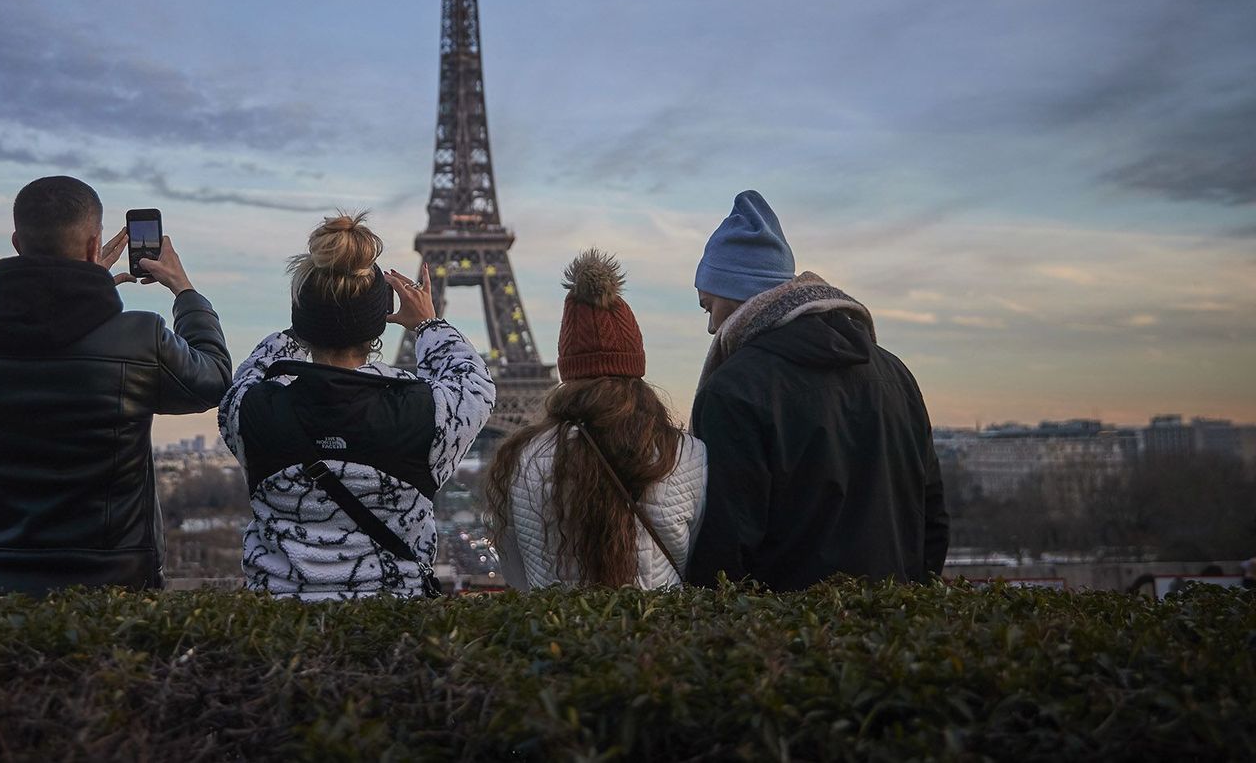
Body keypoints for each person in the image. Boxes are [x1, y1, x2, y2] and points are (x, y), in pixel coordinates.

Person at [0, 175, 232, 595]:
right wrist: (183, 289)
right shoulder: (138, 338)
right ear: (96, 247)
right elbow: (216, 379)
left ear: (17, 242)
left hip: (3, 575)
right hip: (118, 580)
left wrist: (79, 293)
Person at [219, 211, 494, 600]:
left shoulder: (249, 411)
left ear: (303, 316)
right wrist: (428, 324)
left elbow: (247, 375)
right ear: (379, 321)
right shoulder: (426, 414)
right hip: (393, 626)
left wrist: (309, 319)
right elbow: (473, 384)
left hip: (278, 627)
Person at [685, 190, 949, 591]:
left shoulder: (734, 389)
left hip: (787, 640)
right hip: (895, 631)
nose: (710, 328)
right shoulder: (896, 374)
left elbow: (724, 549)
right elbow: (931, 519)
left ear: (736, 293)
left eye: (708, 307)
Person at [487, 249, 707, 589]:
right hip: (660, 636)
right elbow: (696, 564)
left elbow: (518, 577)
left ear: (568, 372)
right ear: (636, 368)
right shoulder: (687, 455)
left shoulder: (521, 460)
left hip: (558, 635)